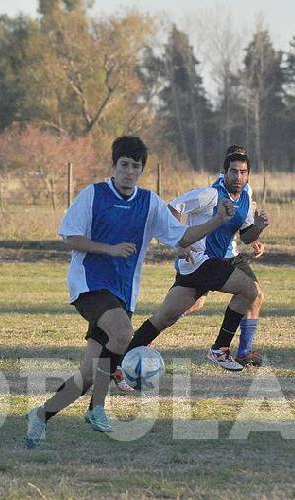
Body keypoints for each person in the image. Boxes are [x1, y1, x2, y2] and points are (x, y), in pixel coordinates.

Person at [24, 136, 236, 449]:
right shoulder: (93, 195)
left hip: (122, 292)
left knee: (87, 374)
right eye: (124, 165)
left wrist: (217, 220)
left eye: (135, 167)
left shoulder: (149, 202)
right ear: (114, 166)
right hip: (88, 284)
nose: (129, 172)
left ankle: (41, 415)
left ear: (141, 170)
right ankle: (97, 408)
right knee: (123, 333)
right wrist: (108, 249)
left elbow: (180, 233)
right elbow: (70, 237)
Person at [124, 145, 271, 370]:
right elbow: (171, 209)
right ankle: (220, 350)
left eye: (243, 172)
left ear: (248, 174)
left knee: (166, 317)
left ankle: (122, 355)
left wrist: (258, 227)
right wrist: (177, 241)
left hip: (208, 264)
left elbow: (245, 233)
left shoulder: (246, 195)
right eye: (233, 171)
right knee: (250, 290)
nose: (238, 176)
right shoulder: (210, 195)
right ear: (224, 172)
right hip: (200, 261)